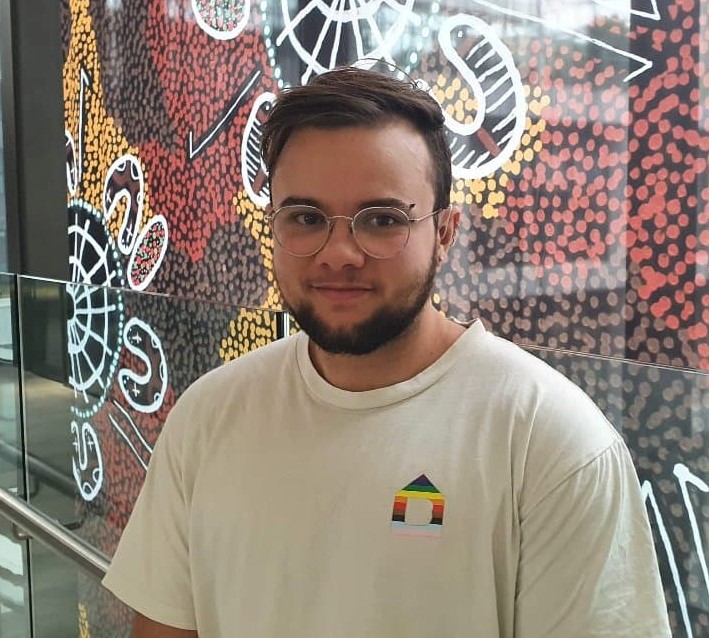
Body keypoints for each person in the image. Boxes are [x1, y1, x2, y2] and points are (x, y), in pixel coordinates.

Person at [102, 66, 671, 637]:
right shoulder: (209, 416)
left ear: (445, 233)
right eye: (306, 218)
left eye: (381, 220)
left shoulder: (550, 442)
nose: (339, 253)